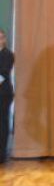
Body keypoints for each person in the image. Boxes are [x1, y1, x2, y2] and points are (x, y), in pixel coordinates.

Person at [0, 28, 13, 163]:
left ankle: (1, 155)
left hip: (3, 95)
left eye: (1, 37)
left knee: (2, 124)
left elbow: (3, 73)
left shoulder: (8, 55)